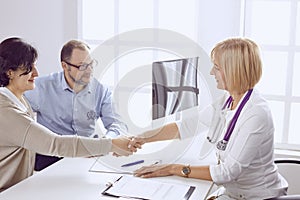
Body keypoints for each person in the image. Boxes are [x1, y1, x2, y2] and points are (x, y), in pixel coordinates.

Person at [132, 38, 288, 199]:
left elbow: (227, 172)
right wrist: (144, 137)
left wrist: (171, 169)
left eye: (217, 67)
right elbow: (187, 126)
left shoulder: (256, 113)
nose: (212, 72)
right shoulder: (228, 100)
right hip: (234, 192)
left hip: (258, 197)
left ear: (233, 70)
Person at [0, 37, 137, 192]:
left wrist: (111, 141)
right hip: (38, 169)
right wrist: (111, 145)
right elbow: (54, 143)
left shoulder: (19, 99)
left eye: (90, 65)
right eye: (29, 68)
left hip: (81, 158)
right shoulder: (14, 104)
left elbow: (117, 123)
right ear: (10, 72)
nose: (36, 73)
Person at [24, 40, 128, 171]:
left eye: (91, 64)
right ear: (65, 66)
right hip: (52, 157)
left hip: (87, 154)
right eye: (82, 66)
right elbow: (13, 110)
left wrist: (106, 143)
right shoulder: (40, 87)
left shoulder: (101, 90)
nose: (89, 70)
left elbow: (118, 125)